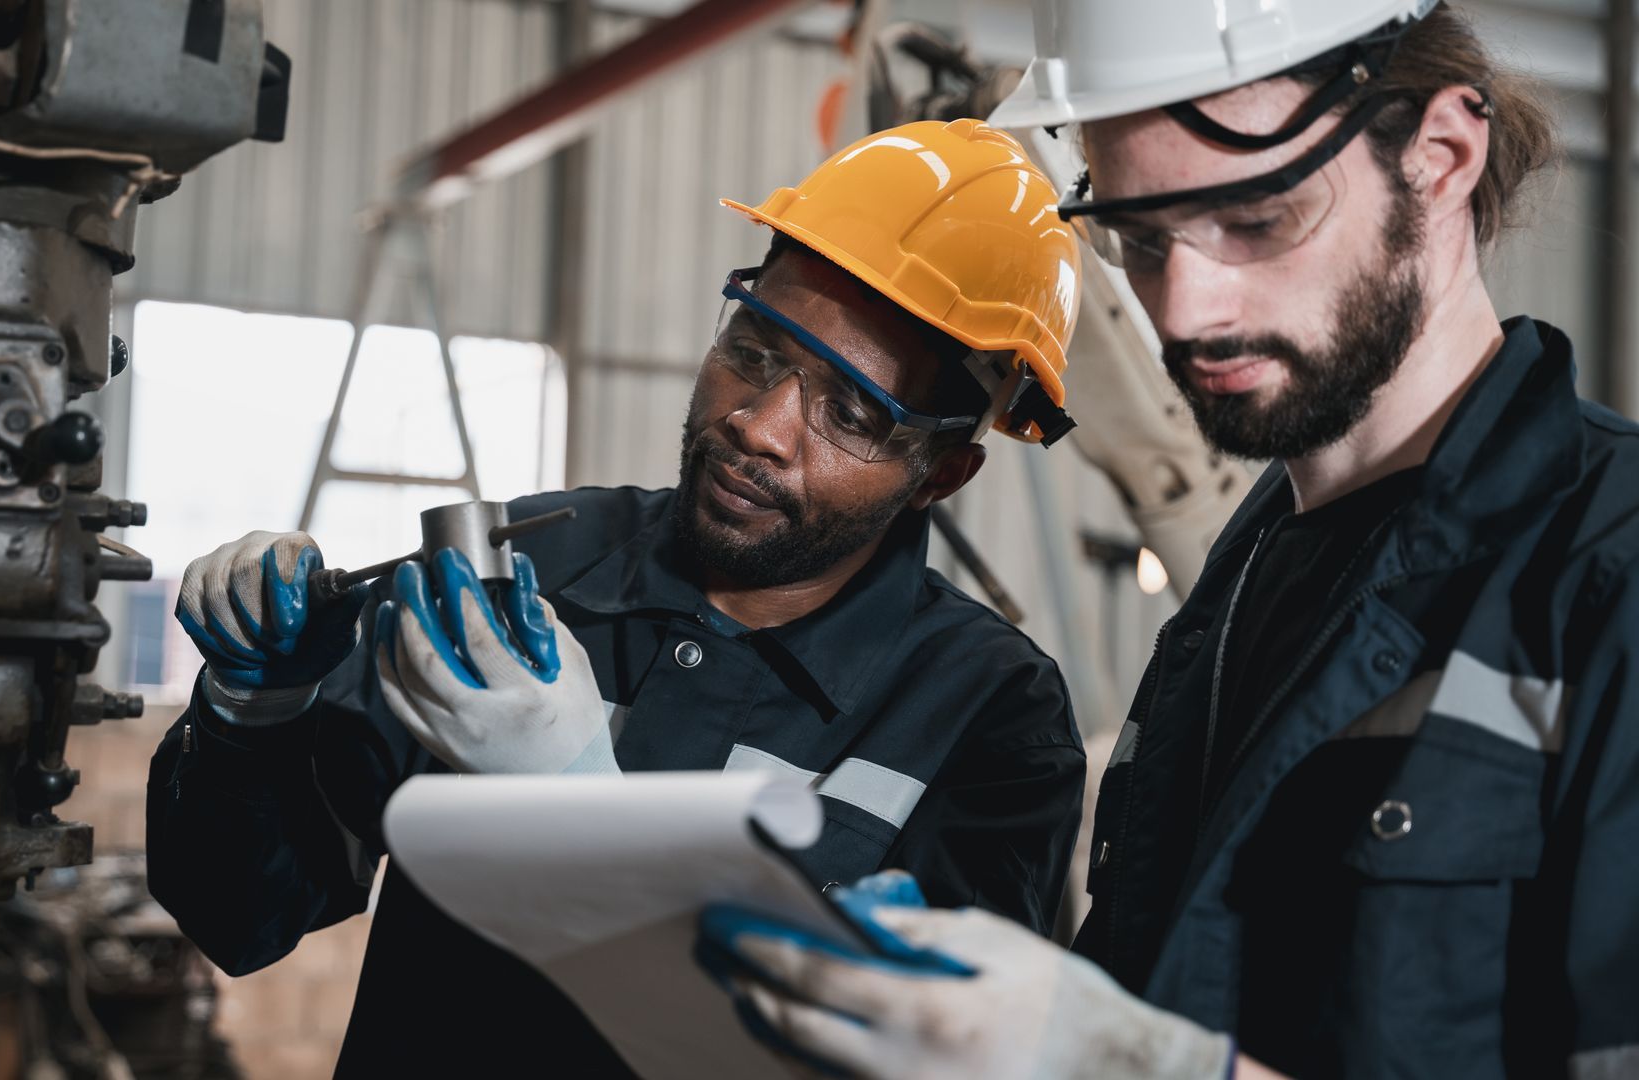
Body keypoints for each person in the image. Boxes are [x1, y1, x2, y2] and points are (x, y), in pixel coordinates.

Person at [700, 4, 1639, 1079]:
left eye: (1259, 219)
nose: (1185, 309)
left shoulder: (1607, 578)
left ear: (1439, 158)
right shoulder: (1239, 589)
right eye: (1141, 240)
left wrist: (1127, 1064)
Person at [146, 118, 1092, 1075]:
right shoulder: (530, 571)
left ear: (941, 475)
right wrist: (254, 712)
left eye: (849, 413)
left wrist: (581, 809)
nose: (759, 426)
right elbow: (241, 915)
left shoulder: (988, 719)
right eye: (757, 353)